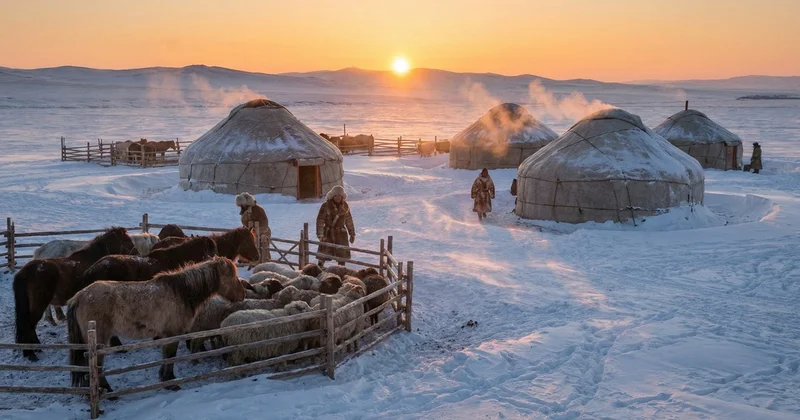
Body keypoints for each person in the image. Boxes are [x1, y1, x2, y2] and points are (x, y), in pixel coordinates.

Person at [316, 185, 355, 267]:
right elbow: (320, 220)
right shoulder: (325, 206)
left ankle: (341, 270)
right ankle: (319, 269)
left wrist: (352, 233)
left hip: (341, 234)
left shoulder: (345, 206)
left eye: (340, 196)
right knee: (324, 254)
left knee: (341, 256)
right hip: (328, 232)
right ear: (332, 196)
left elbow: (349, 220)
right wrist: (320, 234)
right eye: (336, 195)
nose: (338, 198)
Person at [235, 192, 271, 261]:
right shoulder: (245, 210)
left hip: (262, 231)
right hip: (250, 231)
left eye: (242, 205)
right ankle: (246, 260)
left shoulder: (259, 210)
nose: (241, 207)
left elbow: (264, 223)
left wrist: (255, 229)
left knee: (262, 247)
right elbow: (245, 222)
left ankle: (263, 261)